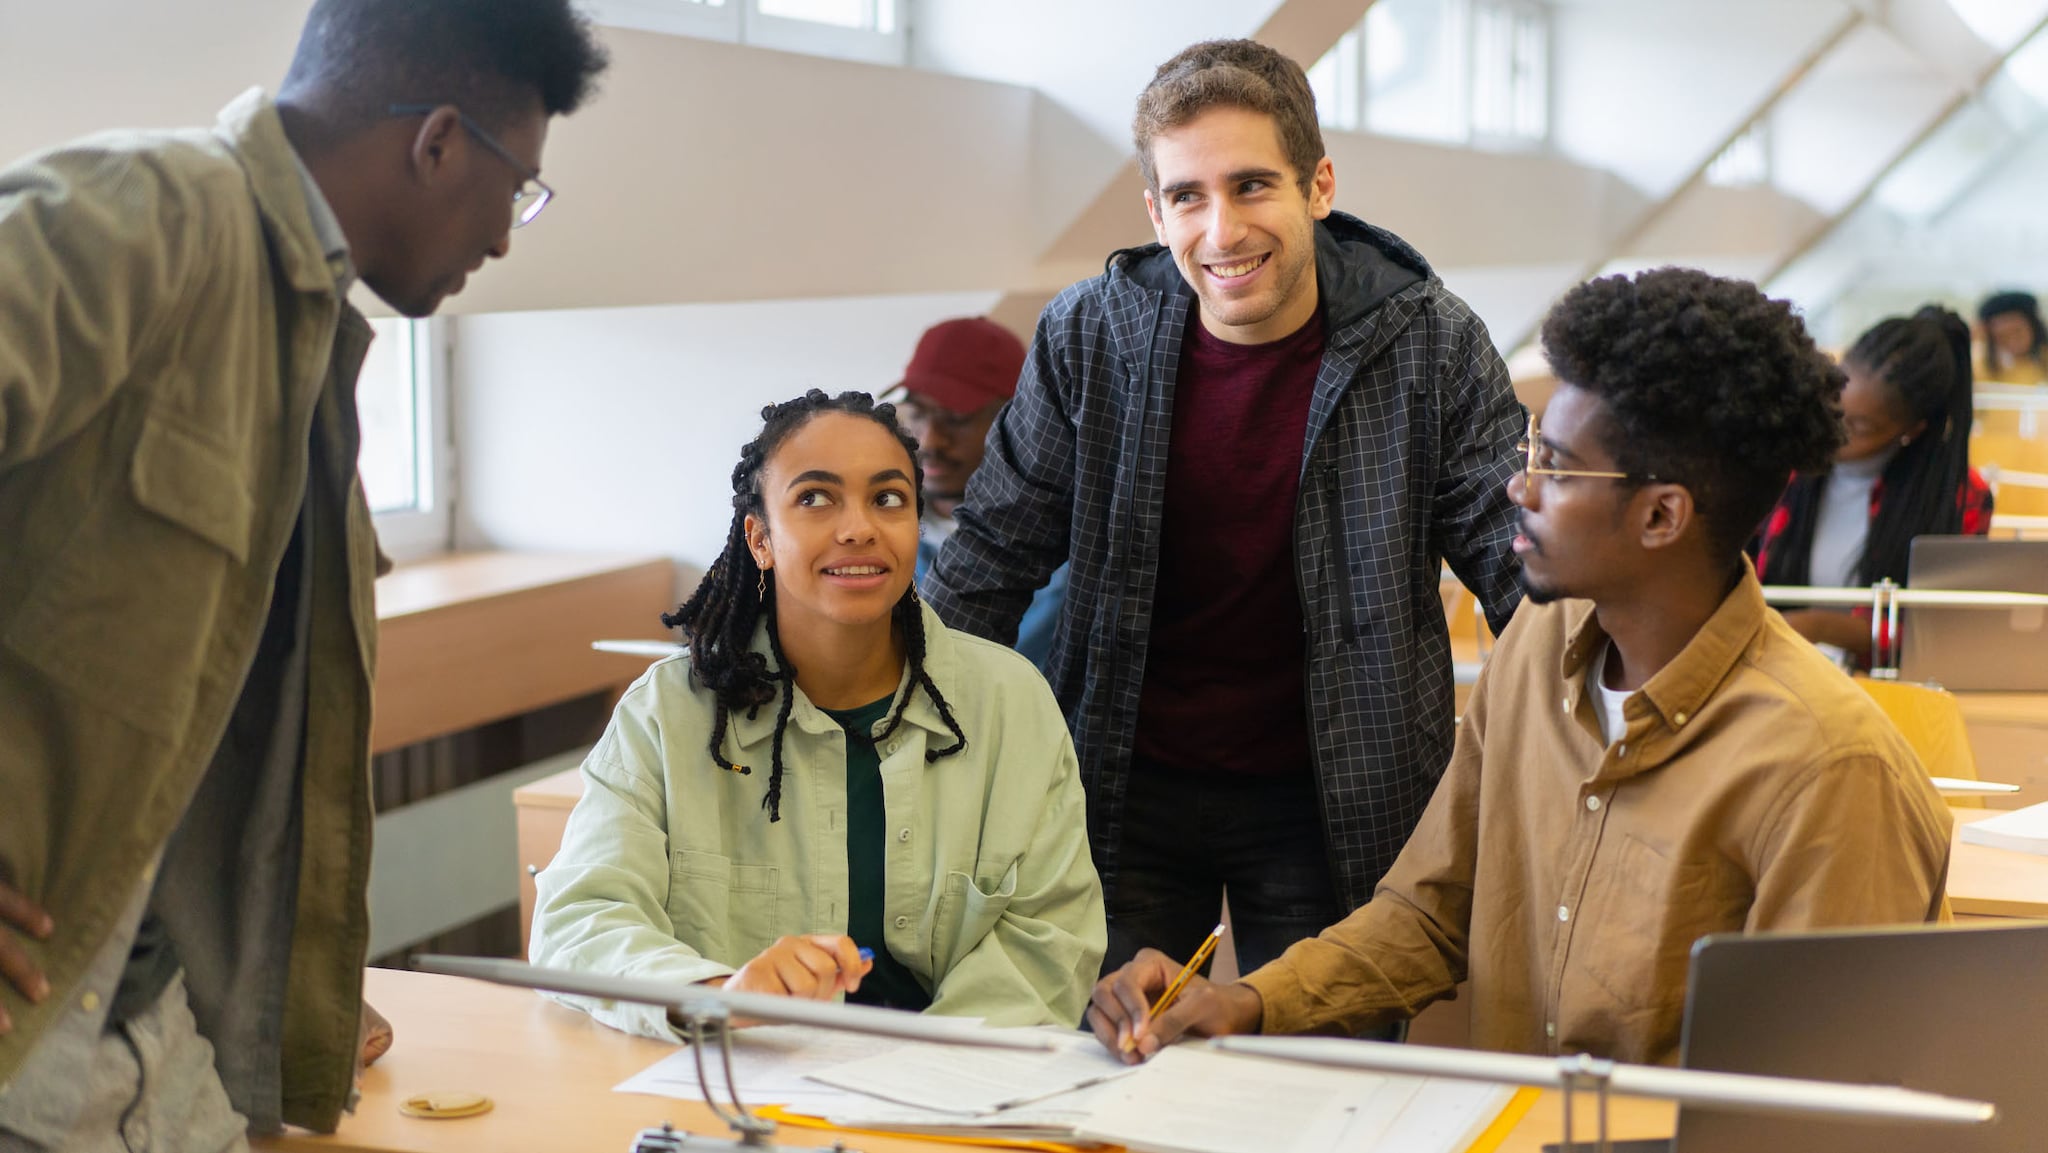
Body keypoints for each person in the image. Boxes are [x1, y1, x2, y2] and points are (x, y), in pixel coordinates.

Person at [0, 0, 607, 1144]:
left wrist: (295, 979)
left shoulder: (306, 329)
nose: (507, 237)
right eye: (517, 188)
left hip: (158, 1060)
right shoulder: (138, 221)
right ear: (436, 141)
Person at [1089, 267, 1953, 1068]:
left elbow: (1802, 1102)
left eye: (1557, 466)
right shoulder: (1538, 649)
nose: (1520, 487)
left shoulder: (1828, 770)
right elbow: (1427, 913)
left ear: (1662, 515)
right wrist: (1242, 1000)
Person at [924, 39, 1525, 978]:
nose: (1223, 230)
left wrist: (1579, 743)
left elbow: (1517, 566)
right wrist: (899, 736)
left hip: (1335, 791)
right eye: (1189, 196)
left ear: (1319, 186)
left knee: (1322, 1083)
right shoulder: (1091, 332)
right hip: (1120, 780)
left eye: (1252, 186)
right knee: (1117, 1071)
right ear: (1155, 211)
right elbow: (992, 555)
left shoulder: (1432, 343)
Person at [530, 390, 1105, 1040]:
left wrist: (916, 1077)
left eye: (888, 498)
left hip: (948, 1097)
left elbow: (1049, 934)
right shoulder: (668, 711)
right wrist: (719, 993)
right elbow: (580, 918)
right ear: (760, 537)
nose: (859, 526)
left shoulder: (1011, 703)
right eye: (815, 498)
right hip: (747, 1083)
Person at [1755, 306, 1993, 666]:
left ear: (1912, 430)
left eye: (1859, 427)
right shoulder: (1784, 463)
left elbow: (1939, 632)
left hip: (1883, 686)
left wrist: (1819, 626)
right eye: (1831, 405)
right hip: (1776, 669)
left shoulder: (1959, 496)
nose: (1831, 430)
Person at [891, 317, 1069, 669]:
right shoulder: (879, 534)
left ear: (1018, 418)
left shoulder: (1063, 563)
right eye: (918, 413)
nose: (929, 441)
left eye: (956, 418)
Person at [1976, 290, 2048, 385]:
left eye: (2018, 333)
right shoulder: (1981, 367)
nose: (2012, 341)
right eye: (2002, 337)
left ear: (2033, 327)